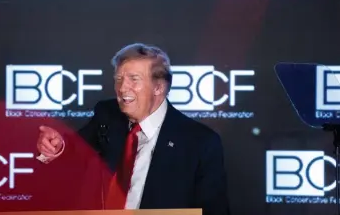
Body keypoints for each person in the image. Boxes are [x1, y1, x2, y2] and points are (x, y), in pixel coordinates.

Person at [36, 43, 230, 215]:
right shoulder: (107, 115)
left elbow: (213, 210)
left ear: (158, 87)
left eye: (133, 79)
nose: (122, 88)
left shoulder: (200, 142)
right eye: (119, 79)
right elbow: (75, 150)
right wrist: (58, 146)